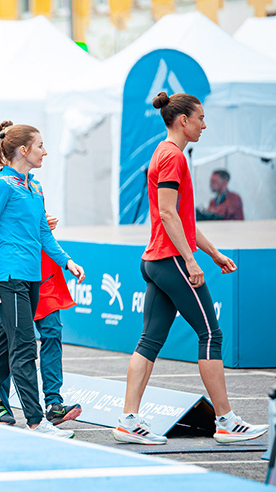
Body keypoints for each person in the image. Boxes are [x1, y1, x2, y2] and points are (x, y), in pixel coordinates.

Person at [113, 92, 267, 445]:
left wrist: (212, 252)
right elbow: (168, 214)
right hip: (170, 260)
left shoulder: (165, 154)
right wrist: (192, 260)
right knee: (211, 335)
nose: (204, 124)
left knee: (149, 341)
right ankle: (226, 421)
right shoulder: (171, 157)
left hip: (155, 260)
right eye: (200, 118)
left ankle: (128, 419)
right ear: (183, 120)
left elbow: (182, 217)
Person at [0, 120, 85, 438]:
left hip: (32, 277)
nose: (45, 152)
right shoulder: (0, 186)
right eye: (40, 146)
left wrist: (67, 261)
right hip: (8, 278)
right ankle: (36, 420)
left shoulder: (34, 187)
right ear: (23, 150)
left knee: (4, 348)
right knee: (22, 348)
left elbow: (43, 234)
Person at [0, 251, 83, 428]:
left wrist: (67, 261)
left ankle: (53, 403)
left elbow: (45, 234)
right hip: (10, 268)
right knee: (9, 340)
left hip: (43, 271)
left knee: (52, 332)